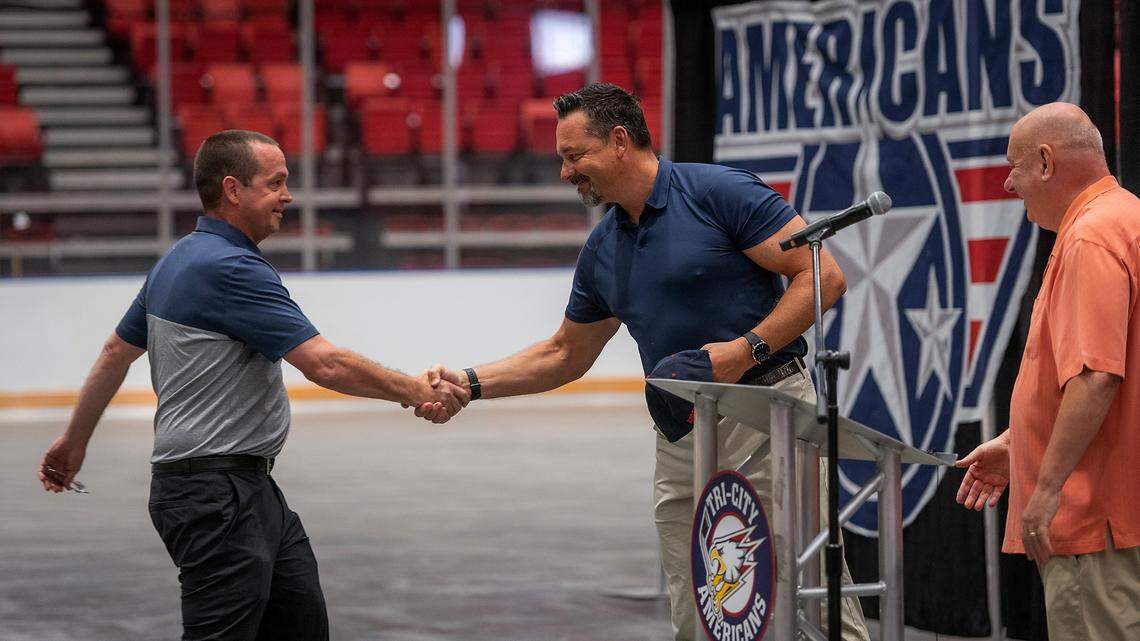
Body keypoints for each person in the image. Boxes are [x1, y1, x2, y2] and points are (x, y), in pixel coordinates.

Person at [415, 83, 869, 641]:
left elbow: (823, 275)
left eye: (573, 156)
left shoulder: (718, 192)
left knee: (804, 583)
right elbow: (565, 353)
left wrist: (746, 348)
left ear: (621, 141)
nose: (566, 173)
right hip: (680, 433)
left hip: (767, 414)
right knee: (698, 604)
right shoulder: (604, 248)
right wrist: (472, 381)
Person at [37, 130, 469, 641]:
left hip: (241, 488)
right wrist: (416, 389)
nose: (288, 196)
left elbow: (114, 353)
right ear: (233, 189)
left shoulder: (176, 261)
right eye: (276, 183)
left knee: (300, 622)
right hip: (215, 495)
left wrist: (75, 440)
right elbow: (325, 364)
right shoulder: (230, 268)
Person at [955, 103, 1140, 640]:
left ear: (1044, 161)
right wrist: (1018, 445)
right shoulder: (1124, 217)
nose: (1009, 184)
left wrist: (1047, 489)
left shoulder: (1091, 237)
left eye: (1013, 167)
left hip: (1095, 522)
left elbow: (1096, 377)